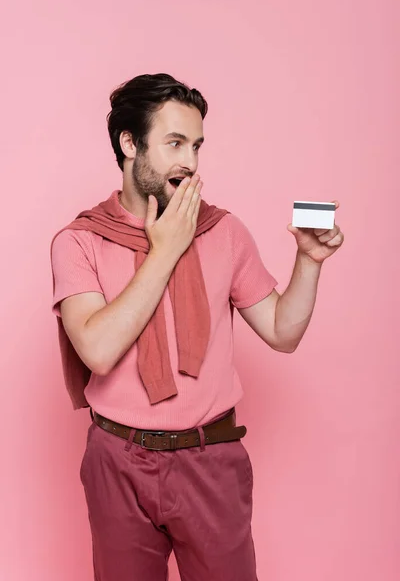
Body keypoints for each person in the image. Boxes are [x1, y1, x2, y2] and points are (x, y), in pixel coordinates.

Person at [50, 73, 344, 581]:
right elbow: (97, 350)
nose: (190, 161)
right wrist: (165, 251)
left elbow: (282, 331)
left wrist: (310, 262)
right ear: (129, 144)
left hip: (211, 459)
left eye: (197, 145)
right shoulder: (78, 242)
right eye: (174, 143)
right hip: (117, 462)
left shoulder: (223, 230)